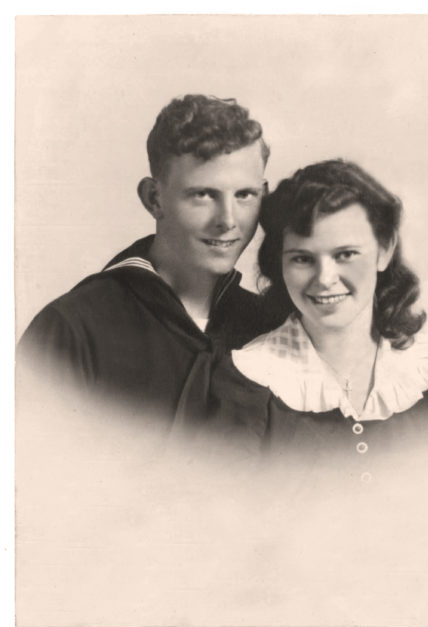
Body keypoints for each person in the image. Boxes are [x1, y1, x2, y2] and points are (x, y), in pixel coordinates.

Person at [199, 160, 428, 473]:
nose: (325, 278)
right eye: (302, 258)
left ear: (385, 249)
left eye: (345, 254)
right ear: (280, 264)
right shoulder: (244, 380)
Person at [18, 94, 284, 422]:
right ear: (154, 199)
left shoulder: (270, 326)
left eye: (245, 195)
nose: (228, 220)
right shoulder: (72, 329)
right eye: (203, 195)